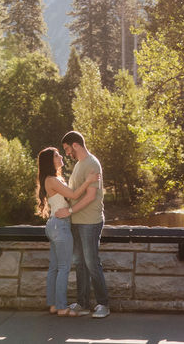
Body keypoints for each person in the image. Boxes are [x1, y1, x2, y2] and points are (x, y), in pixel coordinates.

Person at [36, 146, 98, 317]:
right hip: (60, 226)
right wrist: (89, 180)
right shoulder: (52, 180)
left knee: (55, 268)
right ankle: (62, 307)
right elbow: (73, 195)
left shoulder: (54, 179)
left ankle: (53, 305)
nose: (60, 156)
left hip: (54, 225)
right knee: (63, 268)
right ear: (51, 161)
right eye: (57, 155)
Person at [61, 130, 110, 318]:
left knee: (91, 262)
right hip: (77, 222)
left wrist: (71, 211)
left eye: (67, 149)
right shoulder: (79, 165)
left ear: (75, 145)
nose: (66, 153)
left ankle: (103, 304)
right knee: (79, 263)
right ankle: (82, 304)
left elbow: (90, 197)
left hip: (90, 222)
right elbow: (75, 192)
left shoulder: (92, 163)